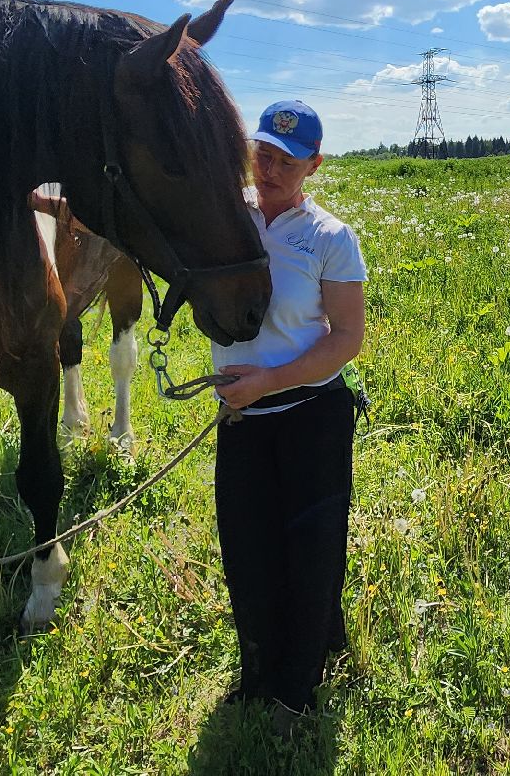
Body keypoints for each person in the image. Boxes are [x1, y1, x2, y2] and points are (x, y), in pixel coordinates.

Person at [211, 99, 367, 722]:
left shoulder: (330, 238)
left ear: (314, 166)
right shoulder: (226, 220)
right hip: (243, 420)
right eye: (262, 155)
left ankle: (297, 688)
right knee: (247, 547)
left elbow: (346, 337)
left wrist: (270, 379)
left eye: (286, 161)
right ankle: (256, 671)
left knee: (309, 549)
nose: (269, 169)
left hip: (311, 415)